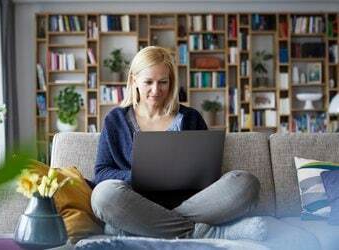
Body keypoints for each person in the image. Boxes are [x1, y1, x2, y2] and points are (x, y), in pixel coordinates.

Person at [91, 46, 266, 241]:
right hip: (137, 203)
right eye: (148, 82)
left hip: (192, 204)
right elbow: (101, 173)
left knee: (246, 183)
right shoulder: (115, 120)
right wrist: (141, 176)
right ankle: (205, 232)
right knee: (103, 196)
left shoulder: (191, 118)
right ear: (134, 80)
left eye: (163, 82)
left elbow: (208, 174)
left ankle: (145, 227)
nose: (156, 90)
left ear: (171, 82)